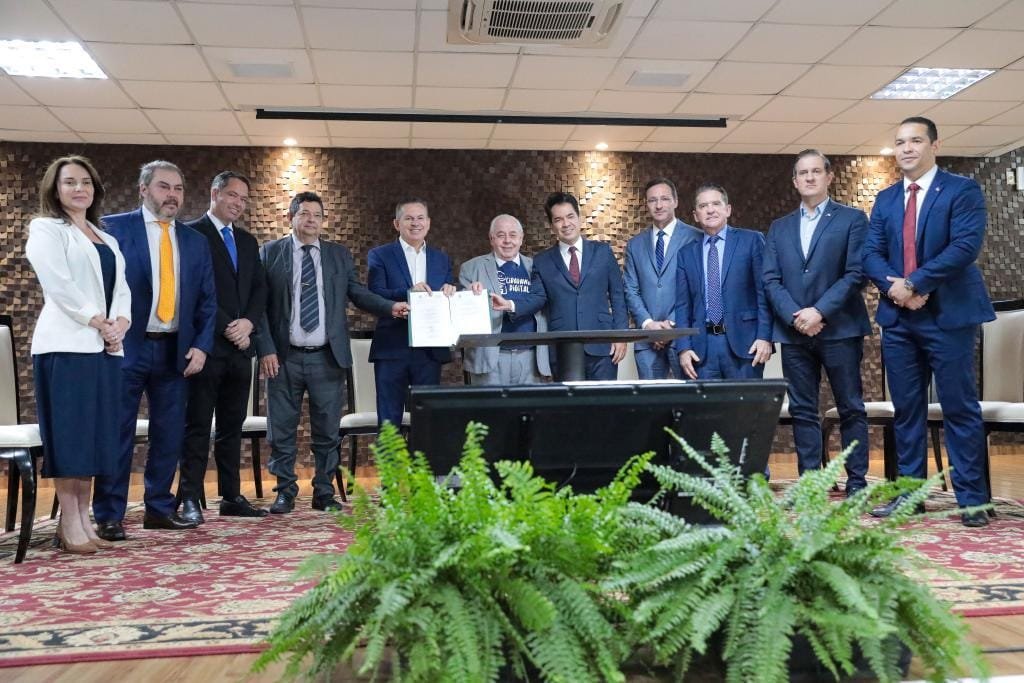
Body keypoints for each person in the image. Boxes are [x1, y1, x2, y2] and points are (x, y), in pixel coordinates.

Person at [863, 116, 995, 527]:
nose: (906, 148)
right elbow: (871, 253)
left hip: (949, 316)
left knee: (958, 407)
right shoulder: (886, 199)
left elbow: (964, 247)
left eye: (915, 141)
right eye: (900, 142)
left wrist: (915, 283)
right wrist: (897, 289)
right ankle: (910, 498)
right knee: (907, 411)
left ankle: (972, 500)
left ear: (934, 146)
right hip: (899, 320)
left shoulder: (961, 190)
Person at [255, 192, 407, 513]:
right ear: (290, 218)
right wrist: (265, 349)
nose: (311, 220)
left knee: (327, 430)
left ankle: (324, 492)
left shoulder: (338, 254)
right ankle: (285, 491)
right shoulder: (270, 253)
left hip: (327, 356)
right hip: (283, 357)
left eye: (317, 215)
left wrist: (390, 307)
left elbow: (357, 293)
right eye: (304, 214)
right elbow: (259, 307)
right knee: (281, 429)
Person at [94, 160, 217, 540]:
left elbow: (207, 301)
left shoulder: (195, 241)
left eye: (178, 188)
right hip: (124, 348)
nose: (172, 195)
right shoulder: (112, 229)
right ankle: (109, 515)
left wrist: (202, 346)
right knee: (117, 433)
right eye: (164, 187)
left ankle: (159, 509)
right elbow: (96, 285)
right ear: (143, 189)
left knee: (169, 435)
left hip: (175, 351)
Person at [26, 156, 131, 554]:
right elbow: (59, 284)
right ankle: (69, 524)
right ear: (55, 190)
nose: (79, 188)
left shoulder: (106, 237)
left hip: (105, 349)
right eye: (69, 182)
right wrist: (98, 321)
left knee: (93, 439)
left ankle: (85, 520)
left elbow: (122, 288)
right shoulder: (46, 229)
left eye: (85, 181)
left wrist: (121, 324)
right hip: (66, 346)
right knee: (71, 439)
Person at [763, 150, 871, 497]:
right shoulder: (778, 228)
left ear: (829, 177)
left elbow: (856, 273)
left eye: (816, 171)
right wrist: (797, 316)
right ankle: (811, 482)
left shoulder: (853, 219)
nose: (809, 177)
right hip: (794, 333)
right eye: (802, 173)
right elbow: (770, 280)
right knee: (803, 410)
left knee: (850, 407)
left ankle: (857, 482)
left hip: (840, 329)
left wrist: (819, 312)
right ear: (795, 181)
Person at [178, 171, 268, 524]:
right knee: (198, 426)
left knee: (233, 427)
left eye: (244, 199)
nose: (238, 203)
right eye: (232, 195)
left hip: (241, 349)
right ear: (215, 194)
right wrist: (229, 325)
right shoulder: (191, 234)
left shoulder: (247, 240)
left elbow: (259, 288)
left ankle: (231, 496)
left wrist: (249, 324)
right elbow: (192, 290)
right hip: (206, 347)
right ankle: (189, 497)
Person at [491, 192, 628, 380]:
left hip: (603, 345)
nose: (566, 224)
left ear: (579, 218)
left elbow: (618, 296)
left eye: (570, 216)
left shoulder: (603, 252)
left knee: (603, 398)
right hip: (562, 347)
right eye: (558, 219)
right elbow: (538, 298)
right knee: (568, 400)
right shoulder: (542, 261)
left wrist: (621, 336)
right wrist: (510, 305)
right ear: (552, 226)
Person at [367, 199, 456, 427]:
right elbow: (375, 294)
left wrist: (451, 292)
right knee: (389, 423)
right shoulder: (380, 255)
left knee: (427, 422)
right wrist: (409, 293)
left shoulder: (441, 259)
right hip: (392, 348)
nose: (415, 223)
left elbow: (447, 298)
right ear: (397, 224)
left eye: (420, 218)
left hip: (429, 351)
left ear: (428, 223)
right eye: (408, 218)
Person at [674, 183, 772, 379]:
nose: (710, 210)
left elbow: (764, 293)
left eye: (716, 204)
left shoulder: (751, 241)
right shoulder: (686, 254)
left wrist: (764, 337)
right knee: (706, 401)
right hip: (702, 349)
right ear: (695, 215)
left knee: (745, 400)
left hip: (745, 344)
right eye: (703, 206)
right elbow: (683, 305)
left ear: (728, 209)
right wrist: (683, 347)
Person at [458, 214, 551, 385]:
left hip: (532, 358)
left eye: (513, 235)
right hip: (489, 357)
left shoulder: (536, 267)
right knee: (489, 404)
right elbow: (461, 312)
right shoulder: (471, 268)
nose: (507, 241)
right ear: (491, 239)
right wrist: (468, 295)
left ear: (521, 239)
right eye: (501, 235)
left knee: (530, 403)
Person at [623, 178, 702, 379]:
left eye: (665, 199)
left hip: (684, 336)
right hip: (646, 339)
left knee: (688, 395)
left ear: (675, 201)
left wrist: (670, 325)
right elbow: (631, 289)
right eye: (652, 200)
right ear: (646, 204)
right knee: (650, 398)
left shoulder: (696, 238)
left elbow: (699, 288)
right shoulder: (634, 245)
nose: (658, 205)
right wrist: (649, 324)